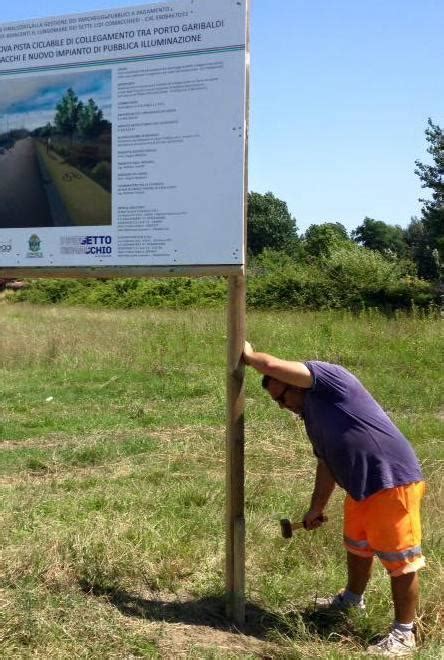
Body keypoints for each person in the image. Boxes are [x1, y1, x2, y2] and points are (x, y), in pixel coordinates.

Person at [243, 341, 425, 657]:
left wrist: (245, 354)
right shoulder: (313, 418)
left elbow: (270, 365)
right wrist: (316, 507)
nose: (283, 406)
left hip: (392, 481)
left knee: (401, 561)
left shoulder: (331, 380)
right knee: (358, 547)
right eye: (277, 403)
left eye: (282, 397)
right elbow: (326, 464)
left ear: (295, 383)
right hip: (360, 487)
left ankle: (404, 634)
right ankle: (352, 600)